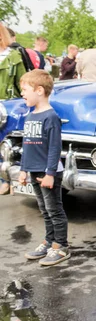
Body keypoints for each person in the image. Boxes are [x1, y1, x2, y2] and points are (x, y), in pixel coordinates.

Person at [18, 69, 70, 265]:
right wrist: (23, 169)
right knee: (44, 209)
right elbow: (27, 147)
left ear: (39, 90)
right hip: (34, 170)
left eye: (25, 89)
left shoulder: (51, 117)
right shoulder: (30, 116)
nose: (22, 93)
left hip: (49, 172)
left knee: (54, 209)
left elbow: (55, 148)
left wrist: (49, 173)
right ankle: (49, 241)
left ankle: (61, 246)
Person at [0, 23, 27, 195]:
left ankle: (6, 179)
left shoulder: (13, 56)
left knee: (5, 144)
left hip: (7, 105)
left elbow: (23, 81)